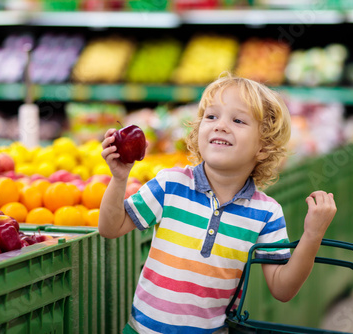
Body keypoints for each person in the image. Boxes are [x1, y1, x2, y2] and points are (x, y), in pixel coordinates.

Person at [99, 73, 337, 334]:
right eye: (211, 117)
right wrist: (119, 178)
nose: (220, 125)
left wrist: (313, 235)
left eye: (237, 120)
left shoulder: (266, 214)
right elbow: (111, 228)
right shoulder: (170, 184)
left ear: (263, 147)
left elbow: (282, 289)